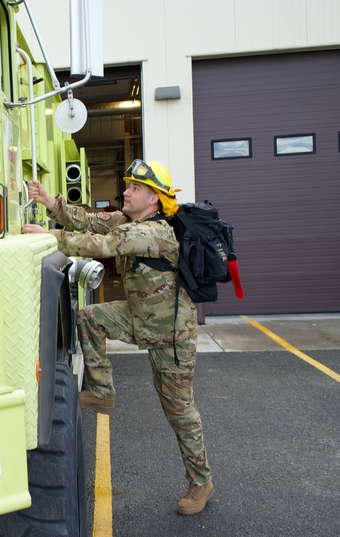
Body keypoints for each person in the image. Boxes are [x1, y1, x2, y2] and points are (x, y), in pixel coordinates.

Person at [22, 160, 213, 515]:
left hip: (171, 334)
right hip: (140, 318)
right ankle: (102, 392)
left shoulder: (154, 233)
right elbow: (93, 222)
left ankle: (201, 482)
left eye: (135, 188)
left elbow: (104, 245)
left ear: (155, 199)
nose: (126, 191)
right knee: (88, 319)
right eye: (127, 185)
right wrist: (52, 204)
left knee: (179, 411)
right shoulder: (129, 220)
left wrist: (52, 237)